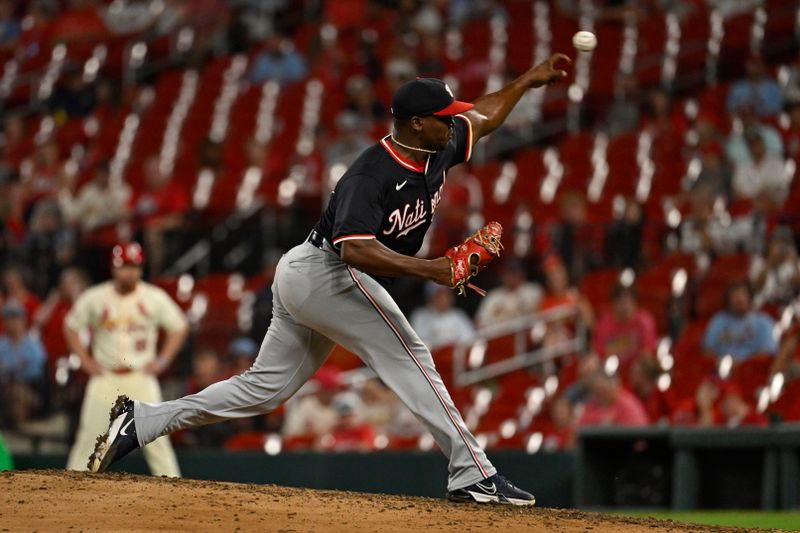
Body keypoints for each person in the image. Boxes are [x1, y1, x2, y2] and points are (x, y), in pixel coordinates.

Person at [89, 54, 573, 506]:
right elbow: (354, 248)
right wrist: (435, 270)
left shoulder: (437, 148)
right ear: (416, 124)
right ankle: (474, 474)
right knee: (410, 353)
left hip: (314, 276)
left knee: (264, 390)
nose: (454, 123)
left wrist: (528, 81)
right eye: (445, 117)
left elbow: (485, 117)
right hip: (327, 270)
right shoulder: (372, 173)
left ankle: (143, 420)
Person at [65, 242, 188, 476]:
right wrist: (85, 361)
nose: (129, 272)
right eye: (124, 267)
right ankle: (69, 489)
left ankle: (174, 489)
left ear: (141, 269)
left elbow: (179, 327)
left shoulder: (153, 297)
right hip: (106, 376)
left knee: (158, 439)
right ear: (113, 268)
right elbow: (71, 326)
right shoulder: (96, 297)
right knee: (89, 437)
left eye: (134, 267)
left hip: (140, 375)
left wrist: (163, 360)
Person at [702, 280, 777, 361]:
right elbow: (707, 350)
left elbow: (768, 352)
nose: (738, 299)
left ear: (749, 298)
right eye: (734, 295)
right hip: (721, 368)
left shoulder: (764, 321)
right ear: (728, 301)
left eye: (742, 294)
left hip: (751, 369)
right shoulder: (719, 320)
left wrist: (742, 366)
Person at [0, 301, 46, 427]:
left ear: (23, 321)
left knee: (18, 397)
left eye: (16, 318)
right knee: (15, 396)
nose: (13, 323)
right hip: (4, 389)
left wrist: (12, 371)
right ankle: (22, 435)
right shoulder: (1, 345)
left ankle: (18, 435)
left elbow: (37, 371)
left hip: (30, 388)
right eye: (9, 319)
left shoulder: (34, 345)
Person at [592, 284, 657, 365]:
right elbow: (599, 352)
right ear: (613, 304)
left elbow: (648, 350)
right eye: (621, 302)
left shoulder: (644, 321)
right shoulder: (604, 323)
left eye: (628, 302)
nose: (625, 307)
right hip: (611, 369)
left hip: (637, 367)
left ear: (635, 303)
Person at [475, 259, 543, 328]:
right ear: (502, 275)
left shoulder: (533, 290)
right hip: (500, 335)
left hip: (527, 333)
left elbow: (541, 316)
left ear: (522, 273)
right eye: (508, 273)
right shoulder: (493, 296)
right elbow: (479, 323)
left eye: (515, 272)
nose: (512, 276)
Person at [410, 283, 476, 349]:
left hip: (455, 356)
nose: (444, 298)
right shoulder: (420, 316)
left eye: (447, 294)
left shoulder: (459, 315)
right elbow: (420, 344)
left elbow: (470, 340)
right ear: (430, 298)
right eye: (439, 295)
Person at [578, 371, 649, 427]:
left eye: (603, 390)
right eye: (596, 391)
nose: (599, 395)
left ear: (614, 388)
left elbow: (638, 433)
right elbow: (581, 428)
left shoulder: (628, 405)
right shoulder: (592, 405)